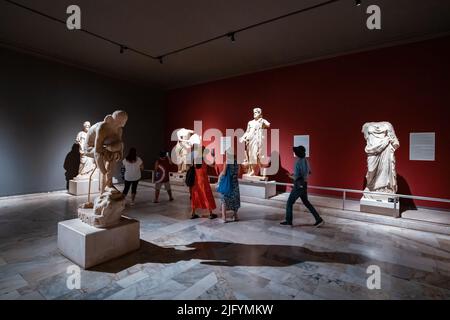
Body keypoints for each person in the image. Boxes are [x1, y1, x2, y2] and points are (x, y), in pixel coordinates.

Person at [84, 110, 128, 193]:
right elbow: (97, 151)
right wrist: (103, 171)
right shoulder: (102, 127)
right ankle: (107, 186)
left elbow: (120, 144)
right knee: (108, 154)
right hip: (90, 148)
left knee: (113, 154)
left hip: (105, 146)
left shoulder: (119, 130)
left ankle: (108, 184)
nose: (124, 123)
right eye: (123, 121)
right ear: (117, 120)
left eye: (125, 121)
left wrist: (120, 152)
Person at [280, 145, 324, 227]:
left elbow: (296, 177)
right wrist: (299, 174)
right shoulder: (306, 161)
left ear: (297, 153)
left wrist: (290, 176)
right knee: (306, 203)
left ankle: (288, 220)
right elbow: (309, 172)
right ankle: (319, 219)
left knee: (289, 203)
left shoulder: (298, 162)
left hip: (298, 185)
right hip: (304, 184)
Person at [239, 107, 271, 177]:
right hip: (250, 141)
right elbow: (247, 132)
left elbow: (268, 124)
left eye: (256, 112)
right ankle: (252, 171)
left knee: (258, 155)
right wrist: (243, 137)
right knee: (251, 156)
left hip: (258, 141)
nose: (254, 114)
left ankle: (262, 172)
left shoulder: (262, 121)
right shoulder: (250, 122)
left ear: (260, 113)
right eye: (254, 113)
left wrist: (262, 121)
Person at [190, 148, 217, 219]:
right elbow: (213, 165)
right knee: (207, 196)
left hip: (196, 182)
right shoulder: (204, 160)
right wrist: (214, 156)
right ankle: (211, 214)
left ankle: (193, 213)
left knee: (195, 197)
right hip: (204, 182)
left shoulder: (195, 161)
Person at [218, 150, 241, 222]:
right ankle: (235, 216)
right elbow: (238, 173)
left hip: (228, 183)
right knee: (235, 200)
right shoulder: (237, 163)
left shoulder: (227, 162)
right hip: (235, 183)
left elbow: (224, 173)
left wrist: (219, 177)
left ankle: (224, 218)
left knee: (224, 199)